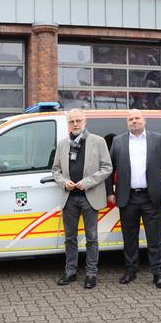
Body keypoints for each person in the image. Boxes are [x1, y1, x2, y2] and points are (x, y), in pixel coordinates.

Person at [106, 109, 161, 288]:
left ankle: (157, 273)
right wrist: (110, 192)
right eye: (130, 119)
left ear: (144, 121)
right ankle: (131, 271)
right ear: (127, 122)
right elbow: (109, 169)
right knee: (129, 238)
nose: (134, 121)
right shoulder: (118, 141)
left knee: (155, 238)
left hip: (151, 197)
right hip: (127, 198)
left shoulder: (158, 139)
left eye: (137, 118)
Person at [52, 108, 112, 289]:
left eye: (78, 120)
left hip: (89, 196)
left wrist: (87, 182)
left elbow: (107, 167)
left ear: (85, 122)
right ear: (68, 124)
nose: (75, 124)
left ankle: (91, 274)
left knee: (91, 238)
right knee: (70, 238)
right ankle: (70, 272)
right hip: (69, 198)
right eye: (72, 121)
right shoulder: (62, 144)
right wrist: (64, 182)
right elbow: (56, 170)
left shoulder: (98, 142)